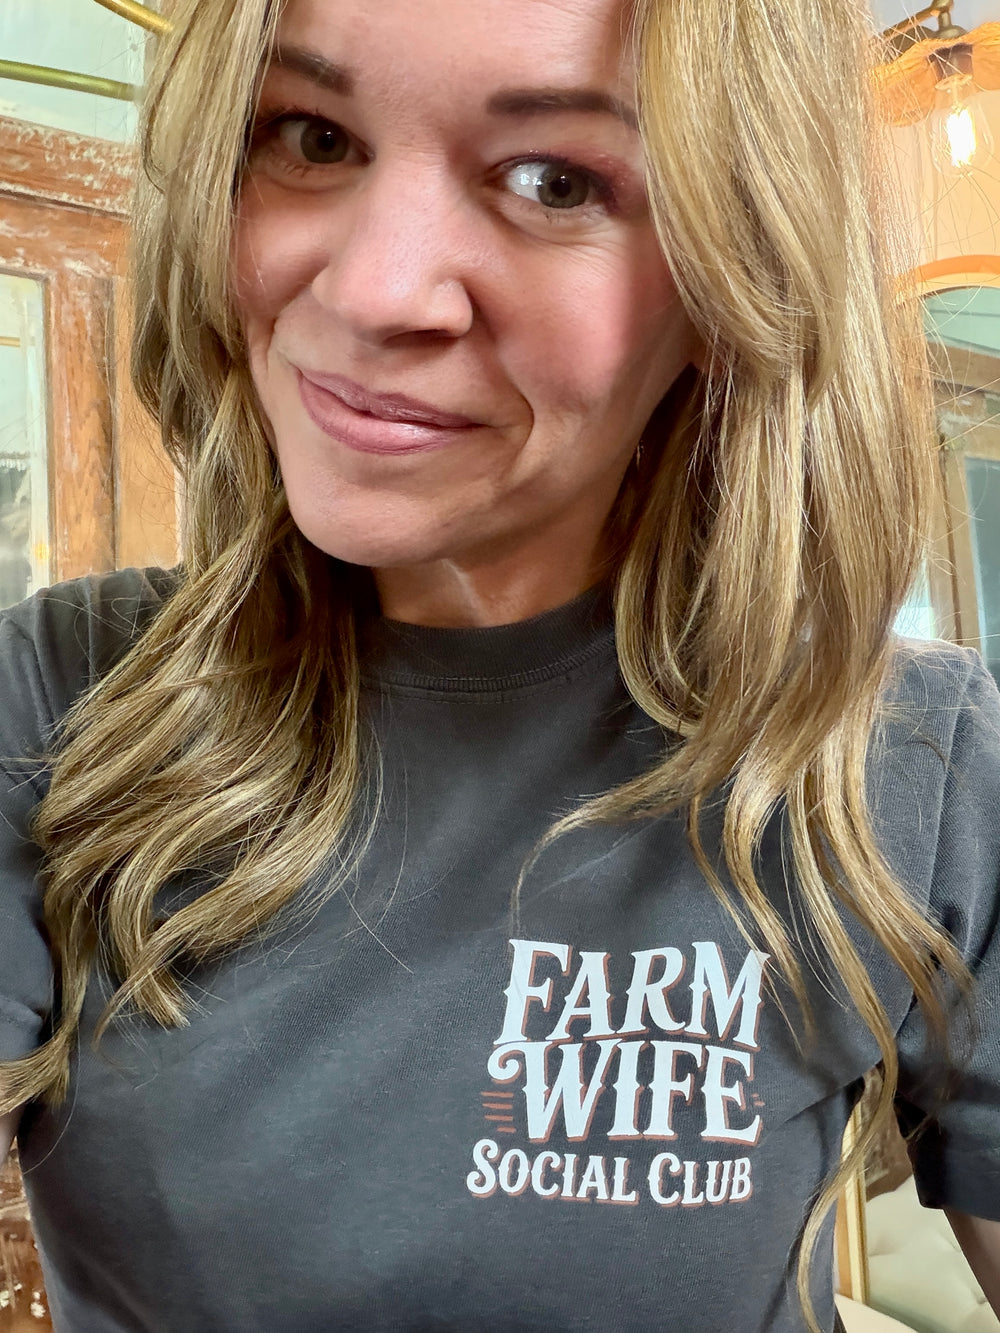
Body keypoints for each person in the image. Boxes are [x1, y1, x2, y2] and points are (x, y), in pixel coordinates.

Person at [1, 0, 998, 1328]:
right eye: (311, 136)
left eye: (555, 181)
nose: (373, 291)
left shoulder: (916, 761)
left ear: (734, 277)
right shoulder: (54, 697)